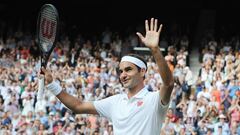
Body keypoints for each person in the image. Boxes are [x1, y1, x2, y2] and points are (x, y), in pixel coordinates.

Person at [41, 18, 174, 135]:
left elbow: (168, 84)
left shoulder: (154, 100)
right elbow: (78, 106)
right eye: (121, 71)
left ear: (142, 71)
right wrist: (52, 84)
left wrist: (154, 50)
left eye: (128, 70)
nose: (123, 75)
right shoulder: (115, 102)